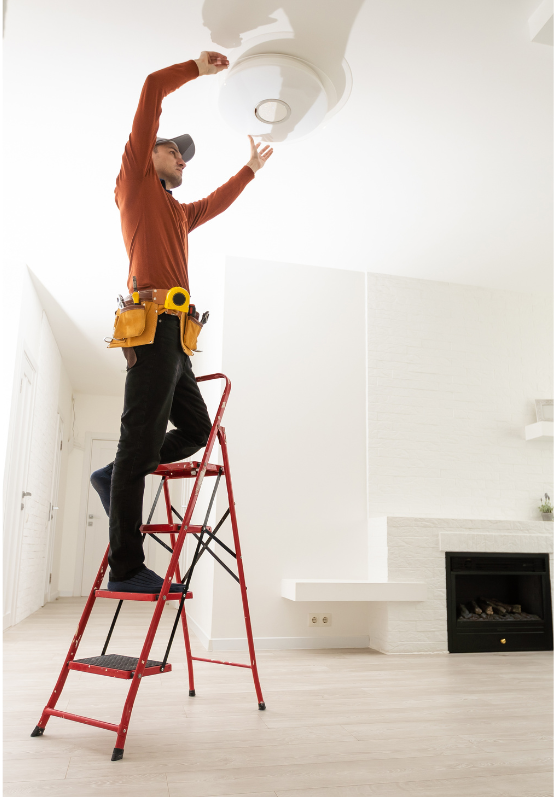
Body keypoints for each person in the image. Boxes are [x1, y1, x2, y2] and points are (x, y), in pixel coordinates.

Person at [90, 51, 273, 594]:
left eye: (185, 157)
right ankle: (127, 567)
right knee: (137, 447)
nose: (183, 160)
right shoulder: (136, 185)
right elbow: (150, 88)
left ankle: (119, 472)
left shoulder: (178, 212)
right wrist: (196, 67)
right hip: (149, 329)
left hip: (178, 336)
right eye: (175, 151)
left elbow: (212, 204)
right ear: (151, 153)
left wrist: (249, 171)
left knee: (196, 429)